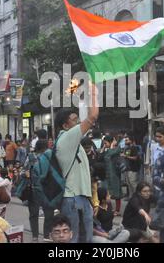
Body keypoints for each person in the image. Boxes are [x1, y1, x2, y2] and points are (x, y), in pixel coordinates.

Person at [55, 81, 99, 243]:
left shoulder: (72, 141)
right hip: (73, 199)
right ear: (65, 125)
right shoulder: (67, 137)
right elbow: (92, 116)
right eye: (74, 120)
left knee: (85, 240)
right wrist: (93, 93)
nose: (79, 122)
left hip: (79, 198)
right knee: (76, 241)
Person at [20, 139, 55, 242]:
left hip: (37, 188)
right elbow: (23, 172)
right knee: (47, 212)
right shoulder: (44, 157)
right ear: (44, 148)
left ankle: (36, 236)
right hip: (42, 189)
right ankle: (45, 235)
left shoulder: (36, 157)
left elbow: (22, 172)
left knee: (36, 213)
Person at [100, 135, 123, 216]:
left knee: (117, 193)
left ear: (110, 142)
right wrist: (104, 148)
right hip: (107, 175)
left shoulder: (116, 149)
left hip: (114, 175)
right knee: (106, 193)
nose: (104, 145)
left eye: (105, 143)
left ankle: (117, 210)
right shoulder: (107, 150)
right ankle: (108, 208)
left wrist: (112, 145)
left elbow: (110, 154)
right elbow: (100, 156)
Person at [122, 135, 141, 199]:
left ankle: (137, 197)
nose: (125, 141)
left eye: (127, 140)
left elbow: (135, 157)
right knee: (129, 184)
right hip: (128, 168)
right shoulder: (127, 148)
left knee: (133, 184)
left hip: (133, 168)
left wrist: (126, 156)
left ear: (131, 140)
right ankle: (131, 197)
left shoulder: (134, 148)